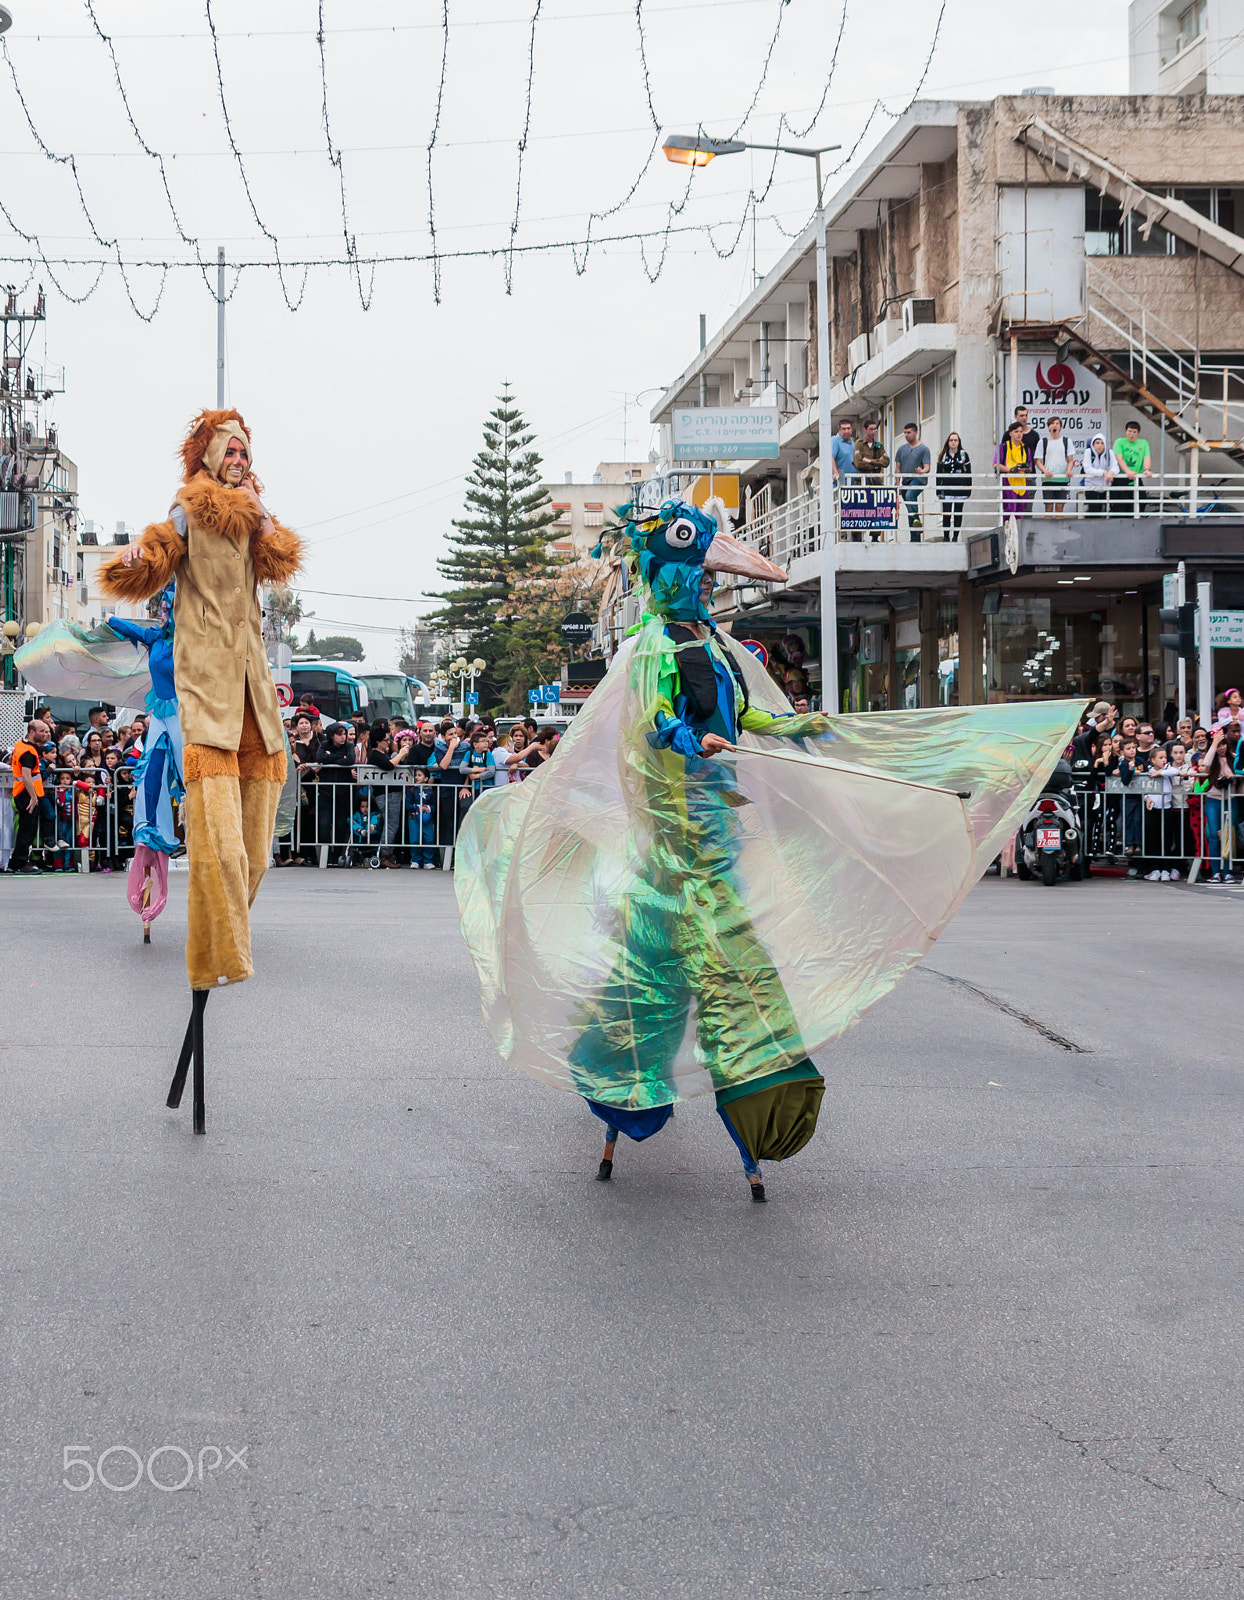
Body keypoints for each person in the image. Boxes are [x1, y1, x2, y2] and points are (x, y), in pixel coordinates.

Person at [455, 493, 1082, 1203]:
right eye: (700, 561)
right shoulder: (657, 647)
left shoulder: (709, 643)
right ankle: (701, 1096)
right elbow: (660, 722)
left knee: (677, 958)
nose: (713, 578)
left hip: (713, 830)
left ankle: (645, 1088)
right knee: (710, 957)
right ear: (671, 567)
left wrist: (785, 728)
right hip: (681, 834)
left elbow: (738, 709)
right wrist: (698, 741)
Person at [100, 406, 302, 1019]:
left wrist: (263, 515)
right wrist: (140, 556)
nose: (239, 460)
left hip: (254, 697)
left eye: (246, 451)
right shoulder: (189, 508)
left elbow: (281, 561)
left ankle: (225, 946)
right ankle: (216, 957)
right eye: (230, 451)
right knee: (217, 843)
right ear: (209, 457)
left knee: (257, 850)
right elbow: (150, 559)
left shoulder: (253, 522)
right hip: (207, 693)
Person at [107, 587, 183, 938]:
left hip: (187, 717)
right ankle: (150, 844)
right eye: (161, 607)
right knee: (149, 777)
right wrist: (108, 620)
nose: (163, 612)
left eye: (168, 607)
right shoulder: (155, 638)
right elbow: (129, 630)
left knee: (191, 781)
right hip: (161, 717)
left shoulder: (193, 640)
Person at [6, 715, 50, 874]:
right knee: (27, 831)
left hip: (21, 793)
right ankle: (20, 864)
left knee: (26, 830)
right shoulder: (29, 753)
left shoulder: (21, 744)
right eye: (42, 731)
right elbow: (26, 775)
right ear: (32, 732)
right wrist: (33, 797)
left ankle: (14, 863)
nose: (46, 734)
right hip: (27, 795)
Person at [316, 721, 355, 866]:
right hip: (326, 791)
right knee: (324, 823)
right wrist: (339, 757)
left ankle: (337, 854)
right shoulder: (324, 745)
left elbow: (350, 760)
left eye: (344, 734)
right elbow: (320, 758)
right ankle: (325, 854)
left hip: (343, 791)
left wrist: (332, 756)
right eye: (339, 734)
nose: (343, 737)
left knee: (340, 825)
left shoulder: (349, 746)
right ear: (332, 736)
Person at [894, 420, 931, 541]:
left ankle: (916, 521)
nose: (906, 435)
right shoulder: (901, 449)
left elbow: (927, 467)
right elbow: (898, 468)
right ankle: (915, 537)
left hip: (918, 480)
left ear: (915, 432)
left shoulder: (924, 449)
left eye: (908, 432)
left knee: (910, 495)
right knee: (910, 507)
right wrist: (897, 484)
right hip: (906, 481)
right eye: (904, 433)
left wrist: (922, 471)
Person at [934, 432, 972, 540]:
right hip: (947, 488)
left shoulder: (964, 455)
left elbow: (969, 472)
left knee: (958, 513)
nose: (953, 442)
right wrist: (938, 490)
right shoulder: (943, 455)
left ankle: (955, 536)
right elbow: (938, 474)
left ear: (959, 442)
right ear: (948, 442)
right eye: (951, 440)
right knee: (946, 513)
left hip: (960, 488)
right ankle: (946, 536)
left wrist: (969, 489)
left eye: (955, 440)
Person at [994, 420, 1034, 522]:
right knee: (1009, 511)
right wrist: (1011, 470)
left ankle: (1018, 536)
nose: (1019, 434)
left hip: (1022, 483)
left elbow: (1030, 467)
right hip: (1009, 482)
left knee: (1020, 512)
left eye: (1021, 431)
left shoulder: (1025, 448)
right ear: (1010, 433)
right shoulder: (1004, 446)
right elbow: (996, 464)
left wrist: (1026, 468)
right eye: (1016, 431)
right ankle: (1007, 536)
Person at [1035, 416, 1074, 517]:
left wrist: (1069, 470)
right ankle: (1048, 530)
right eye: (1052, 424)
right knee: (1048, 507)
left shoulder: (1066, 441)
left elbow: (1070, 460)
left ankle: (1059, 531)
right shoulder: (1043, 442)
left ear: (1060, 426)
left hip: (1062, 479)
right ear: (1048, 427)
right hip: (1048, 479)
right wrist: (1045, 471)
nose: (1054, 426)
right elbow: (1038, 461)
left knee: (1060, 508)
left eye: (1057, 423)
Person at [1112, 420, 1152, 515]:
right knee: (1121, 506)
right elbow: (1119, 458)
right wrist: (1127, 471)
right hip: (1121, 478)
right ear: (1126, 431)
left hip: (1135, 478)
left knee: (1142, 500)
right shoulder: (1119, 442)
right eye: (1129, 431)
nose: (1132, 434)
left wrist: (1147, 469)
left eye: (1134, 432)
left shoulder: (1144, 443)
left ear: (1138, 433)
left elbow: (1146, 457)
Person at [407, 764, 438, 867]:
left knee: (429, 838)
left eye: (419, 775)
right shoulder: (411, 791)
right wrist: (417, 808)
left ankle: (428, 860)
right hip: (414, 818)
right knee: (415, 839)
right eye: (416, 775)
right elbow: (407, 805)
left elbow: (434, 805)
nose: (416, 777)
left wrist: (428, 809)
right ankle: (415, 860)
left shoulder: (431, 792)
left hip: (427, 819)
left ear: (426, 778)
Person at [1081, 435, 1117, 516]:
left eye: (1102, 443)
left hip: (1105, 486)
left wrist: (1111, 472)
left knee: (1105, 509)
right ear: (1093, 444)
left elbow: (1115, 466)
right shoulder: (1088, 452)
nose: (1099, 445)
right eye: (1097, 443)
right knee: (1094, 508)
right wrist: (1103, 472)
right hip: (1091, 486)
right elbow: (1087, 469)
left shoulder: (1109, 452)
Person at [853, 418, 889, 482]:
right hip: (862, 480)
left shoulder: (879, 445)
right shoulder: (859, 444)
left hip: (876, 479)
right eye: (871, 429)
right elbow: (858, 463)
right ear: (865, 429)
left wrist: (870, 461)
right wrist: (877, 465)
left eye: (875, 429)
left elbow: (886, 462)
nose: (873, 432)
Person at [830, 418, 857, 484]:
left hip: (852, 482)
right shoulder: (835, 440)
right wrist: (835, 473)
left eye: (848, 428)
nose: (846, 431)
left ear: (851, 430)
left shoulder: (853, 442)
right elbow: (831, 457)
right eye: (844, 429)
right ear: (839, 430)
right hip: (839, 482)